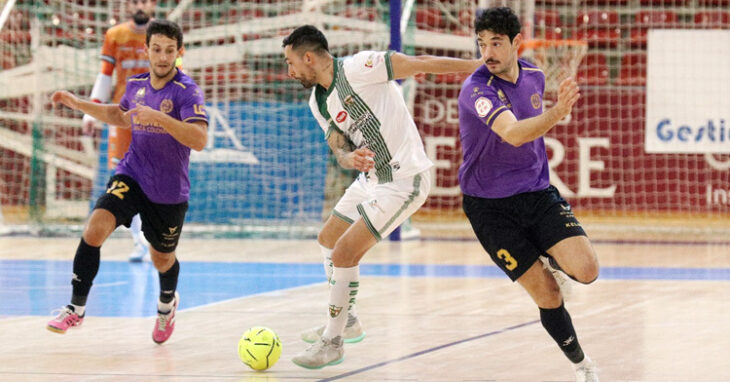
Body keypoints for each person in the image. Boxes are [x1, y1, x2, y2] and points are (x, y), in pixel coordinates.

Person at [282, 25, 482, 369]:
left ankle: (333, 341)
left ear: (309, 57)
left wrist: (480, 67)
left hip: (404, 180)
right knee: (328, 238)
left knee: (345, 252)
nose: (289, 72)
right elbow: (340, 148)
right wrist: (349, 159)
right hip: (370, 179)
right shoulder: (318, 101)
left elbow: (421, 63)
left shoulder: (361, 67)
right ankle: (348, 319)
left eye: (291, 62)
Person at [458, 7, 600, 382]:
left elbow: (535, 121)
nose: (487, 52)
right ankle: (582, 366)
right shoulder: (477, 89)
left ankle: (545, 253)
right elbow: (516, 133)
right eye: (482, 43)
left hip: (536, 193)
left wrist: (556, 110)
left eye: (496, 43)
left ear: (516, 43)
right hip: (489, 209)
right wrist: (559, 111)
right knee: (549, 295)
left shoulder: (535, 74)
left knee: (587, 270)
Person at [46, 20, 208, 345]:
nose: (162, 57)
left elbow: (200, 139)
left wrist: (160, 117)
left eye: (169, 51)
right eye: (157, 49)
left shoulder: (187, 91)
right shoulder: (136, 85)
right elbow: (120, 116)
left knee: (161, 257)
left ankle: (166, 304)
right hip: (131, 173)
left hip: (167, 190)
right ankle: (76, 308)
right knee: (94, 228)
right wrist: (79, 105)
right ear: (146, 50)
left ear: (179, 52)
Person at [84, 0, 160, 262]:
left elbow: (177, 76)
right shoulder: (115, 35)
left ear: (154, 4)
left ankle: (154, 238)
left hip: (155, 118)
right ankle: (141, 242)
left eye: (145, 1)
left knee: (151, 181)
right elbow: (105, 75)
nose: (139, 5)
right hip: (122, 116)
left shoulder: (163, 35)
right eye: (134, 1)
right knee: (126, 179)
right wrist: (91, 110)